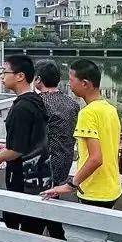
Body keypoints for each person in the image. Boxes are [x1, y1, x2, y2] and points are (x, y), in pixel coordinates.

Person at [42, 60, 122, 221]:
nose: (70, 85)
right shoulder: (110, 109)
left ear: (85, 83)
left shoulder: (88, 113)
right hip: (112, 187)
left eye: (71, 80)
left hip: (94, 191)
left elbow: (95, 158)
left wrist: (70, 185)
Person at [0, 53, 50, 234]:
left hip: (24, 180)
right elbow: (29, 140)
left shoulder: (22, 107)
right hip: (38, 176)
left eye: (5, 71)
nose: (1, 76)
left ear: (20, 76)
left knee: (19, 230)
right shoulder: (35, 100)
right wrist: (5, 146)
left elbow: (17, 150)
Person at [36, 59, 81, 191]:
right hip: (65, 161)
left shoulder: (38, 102)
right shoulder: (72, 103)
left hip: (44, 162)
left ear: (38, 79)